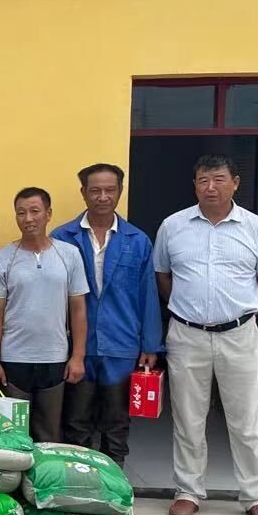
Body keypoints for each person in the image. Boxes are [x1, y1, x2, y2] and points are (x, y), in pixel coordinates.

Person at [154, 154, 258, 515]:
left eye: (218, 179)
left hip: (239, 335)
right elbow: (163, 275)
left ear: (235, 183)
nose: (210, 187)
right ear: (195, 185)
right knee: (188, 418)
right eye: (203, 180)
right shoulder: (173, 226)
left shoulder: (257, 228)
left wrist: (246, 312)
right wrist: (187, 309)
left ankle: (256, 496)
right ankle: (188, 492)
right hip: (187, 334)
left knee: (246, 419)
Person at [53, 164, 163, 467]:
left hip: (121, 344)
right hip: (77, 347)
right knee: (76, 422)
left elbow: (148, 295)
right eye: (95, 190)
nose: (103, 197)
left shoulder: (137, 240)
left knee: (116, 423)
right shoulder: (62, 238)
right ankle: (79, 481)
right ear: (83, 193)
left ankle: (114, 481)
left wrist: (150, 344)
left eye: (110, 190)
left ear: (120, 191)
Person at [0, 187, 89, 444]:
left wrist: (77, 357)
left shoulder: (69, 255)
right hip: (13, 359)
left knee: (49, 433)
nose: (28, 218)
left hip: (55, 357)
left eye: (35, 211)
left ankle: (45, 472)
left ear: (48, 214)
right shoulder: (2, 260)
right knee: (13, 435)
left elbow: (78, 309)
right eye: (21, 213)